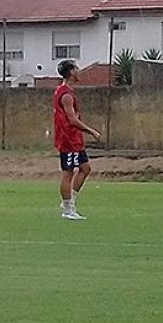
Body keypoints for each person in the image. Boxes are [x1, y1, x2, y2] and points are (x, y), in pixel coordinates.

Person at [53, 59, 101, 220]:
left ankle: (70, 200)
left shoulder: (66, 91)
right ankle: (68, 209)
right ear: (72, 72)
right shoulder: (66, 95)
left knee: (85, 168)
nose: (79, 71)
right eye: (77, 68)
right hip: (68, 139)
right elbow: (72, 120)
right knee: (68, 173)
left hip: (75, 139)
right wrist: (91, 131)